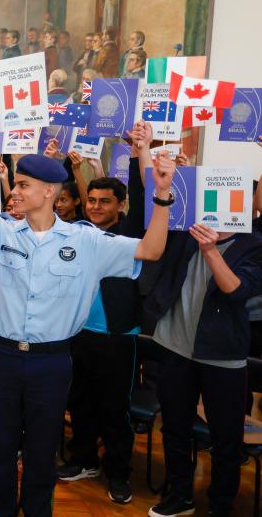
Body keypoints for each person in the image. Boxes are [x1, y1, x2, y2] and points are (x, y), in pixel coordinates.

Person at [0, 123, 175, 517]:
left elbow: (151, 250)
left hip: (50, 362)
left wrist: (161, 196)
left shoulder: (86, 241)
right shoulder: (3, 233)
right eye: (15, 185)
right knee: (0, 449)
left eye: (22, 185)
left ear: (49, 192)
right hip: (2, 358)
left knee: (41, 452)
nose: (15, 191)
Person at [138, 164, 262, 515]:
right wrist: (151, 161)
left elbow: (236, 291)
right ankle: (179, 496)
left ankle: (221, 504)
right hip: (175, 346)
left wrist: (210, 251)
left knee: (226, 438)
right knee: (175, 428)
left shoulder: (253, 244)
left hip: (223, 356)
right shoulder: (186, 231)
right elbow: (155, 206)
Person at [57, 165, 147, 505]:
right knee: (79, 401)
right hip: (78, 332)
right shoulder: (78, 234)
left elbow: (141, 202)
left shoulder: (128, 236)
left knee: (114, 408)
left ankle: (119, 474)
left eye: (104, 201)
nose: (95, 206)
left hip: (117, 337)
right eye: (91, 200)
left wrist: (140, 155)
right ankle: (84, 460)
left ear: (120, 206)